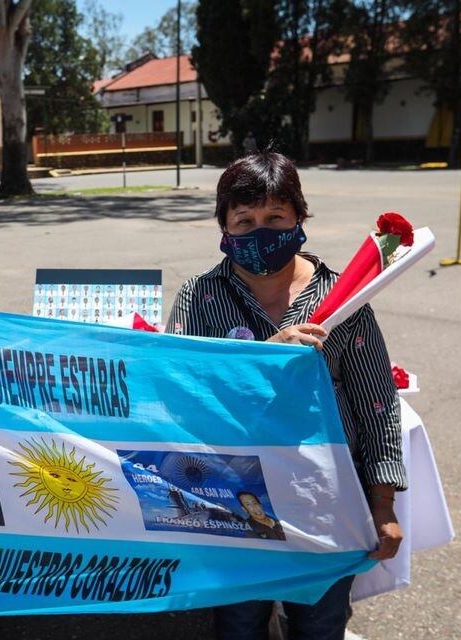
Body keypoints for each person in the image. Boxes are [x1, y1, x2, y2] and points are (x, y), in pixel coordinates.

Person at [168, 152, 405, 640]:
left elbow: (376, 403)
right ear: (224, 226)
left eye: (275, 217)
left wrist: (382, 505)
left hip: (326, 501)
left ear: (299, 217)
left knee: (320, 623)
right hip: (234, 500)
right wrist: (263, 359)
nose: (260, 232)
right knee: (239, 622)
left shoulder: (343, 298)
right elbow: (182, 394)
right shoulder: (200, 296)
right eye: (245, 220)